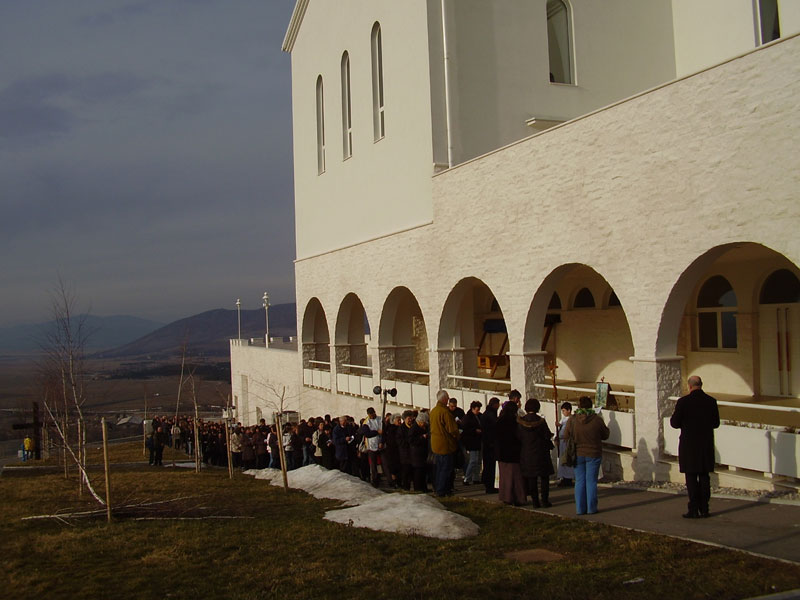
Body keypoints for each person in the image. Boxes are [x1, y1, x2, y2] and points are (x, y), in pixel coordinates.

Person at [670, 375, 720, 519]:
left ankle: (693, 509)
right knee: (704, 477)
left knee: (691, 477)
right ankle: (704, 508)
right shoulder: (711, 401)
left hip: (689, 445)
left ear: (689, 386)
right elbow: (716, 423)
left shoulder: (683, 402)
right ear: (701, 385)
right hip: (705, 445)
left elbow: (674, 423)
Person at [565, 396, 609, 515]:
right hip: (593, 453)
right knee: (591, 481)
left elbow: (566, 434)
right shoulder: (597, 420)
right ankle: (591, 508)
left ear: (579, 406)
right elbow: (605, 435)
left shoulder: (573, 419)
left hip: (577, 453)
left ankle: (580, 508)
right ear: (591, 406)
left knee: (579, 481)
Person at [517, 398, 554, 508]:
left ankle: (535, 501)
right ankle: (545, 500)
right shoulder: (541, 422)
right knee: (544, 478)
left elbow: (518, 437)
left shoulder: (520, 422)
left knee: (531, 479)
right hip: (541, 453)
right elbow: (547, 435)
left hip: (527, 453)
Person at [495, 400, 526, 506]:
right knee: (516, 478)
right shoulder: (515, 422)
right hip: (513, 453)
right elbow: (519, 436)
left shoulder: (499, 421)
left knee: (504, 477)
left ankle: (505, 496)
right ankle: (518, 497)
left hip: (502, 453)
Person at [430, 390, 460, 497]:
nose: (448, 399)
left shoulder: (433, 411)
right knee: (446, 470)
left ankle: (438, 488)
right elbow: (452, 430)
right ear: (444, 399)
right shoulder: (445, 412)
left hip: (436, 445)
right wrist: (457, 436)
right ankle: (442, 490)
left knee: (438, 469)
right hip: (445, 445)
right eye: (447, 397)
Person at [460, 401, 483, 485]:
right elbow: (465, 429)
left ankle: (475, 478)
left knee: (478, 461)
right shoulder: (468, 417)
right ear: (473, 409)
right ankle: (467, 478)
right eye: (477, 409)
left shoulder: (478, 416)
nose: (478, 411)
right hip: (471, 441)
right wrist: (474, 430)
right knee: (473, 460)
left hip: (477, 441)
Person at [360, 407, 383, 487]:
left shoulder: (380, 419)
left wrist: (381, 441)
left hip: (380, 444)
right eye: (370, 415)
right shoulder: (366, 423)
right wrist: (377, 432)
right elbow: (367, 434)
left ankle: (380, 477)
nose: (371, 416)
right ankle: (374, 480)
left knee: (380, 463)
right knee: (373, 465)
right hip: (371, 446)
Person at [481, 397, 500, 494]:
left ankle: (488, 484)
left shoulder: (486, 413)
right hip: (490, 443)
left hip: (486, 442)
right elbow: (495, 427)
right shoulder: (491, 414)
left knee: (488, 465)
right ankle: (490, 486)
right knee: (490, 465)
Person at [556, 402, 575, 487]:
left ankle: (568, 478)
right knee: (562, 461)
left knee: (567, 460)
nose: (563, 412)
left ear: (569, 410)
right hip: (562, 442)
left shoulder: (572, 419)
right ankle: (563, 477)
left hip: (567, 442)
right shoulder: (563, 419)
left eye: (564, 411)